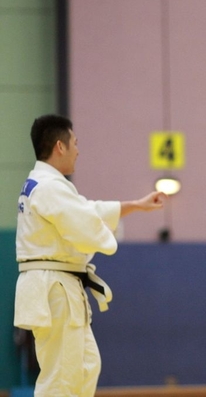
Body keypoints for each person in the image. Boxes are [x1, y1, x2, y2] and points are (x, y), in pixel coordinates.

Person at [13, 114, 167, 396]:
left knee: (85, 366)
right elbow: (85, 224)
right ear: (60, 146)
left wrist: (136, 205)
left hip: (56, 283)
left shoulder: (45, 184)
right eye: (75, 143)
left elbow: (87, 211)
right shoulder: (49, 186)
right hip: (55, 286)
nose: (78, 150)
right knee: (61, 378)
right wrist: (108, 240)